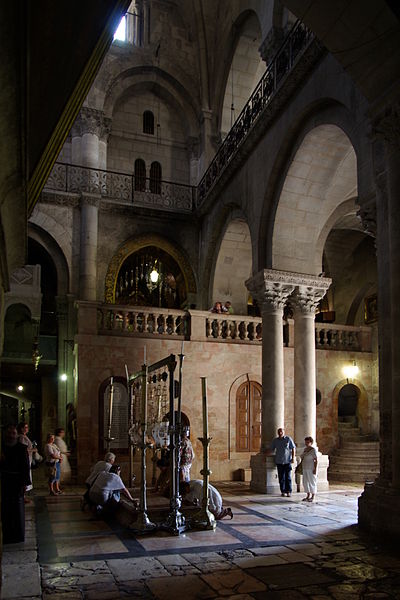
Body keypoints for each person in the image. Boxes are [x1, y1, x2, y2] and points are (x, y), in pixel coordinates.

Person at [0, 424, 31, 543]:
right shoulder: (2, 447)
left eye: (13, 433)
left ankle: (18, 535)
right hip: (5, 480)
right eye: (9, 433)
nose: (11, 436)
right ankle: (6, 534)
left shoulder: (21, 448)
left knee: (17, 508)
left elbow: (25, 467)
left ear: (17, 435)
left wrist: (25, 483)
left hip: (17, 481)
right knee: (6, 508)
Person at [269, 427, 296, 497]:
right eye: (279, 432)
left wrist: (293, 458)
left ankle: (289, 491)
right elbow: (271, 449)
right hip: (279, 461)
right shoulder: (275, 441)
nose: (280, 433)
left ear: (284, 432)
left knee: (288, 477)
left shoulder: (288, 439)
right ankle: (283, 491)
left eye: (281, 432)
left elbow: (293, 448)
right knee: (281, 477)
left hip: (287, 461)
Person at [17, 422, 34, 502]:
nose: (27, 428)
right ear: (21, 428)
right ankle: (22, 497)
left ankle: (23, 496)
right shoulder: (21, 437)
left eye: (27, 427)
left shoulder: (24, 436)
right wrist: (33, 450)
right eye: (25, 427)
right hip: (25, 460)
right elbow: (23, 449)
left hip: (28, 459)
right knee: (25, 478)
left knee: (27, 477)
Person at [300, 436, 318, 502]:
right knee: (305, 482)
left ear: (311, 442)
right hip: (305, 467)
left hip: (311, 468)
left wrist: (315, 469)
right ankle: (308, 495)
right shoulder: (305, 449)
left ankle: (313, 496)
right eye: (306, 442)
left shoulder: (313, 450)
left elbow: (315, 460)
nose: (306, 443)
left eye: (308, 442)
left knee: (312, 481)